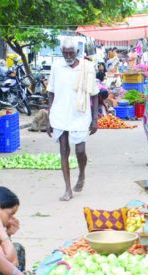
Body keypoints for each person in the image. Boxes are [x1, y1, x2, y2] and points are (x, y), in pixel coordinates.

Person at [46, 37, 99, 202]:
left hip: (81, 114)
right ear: (61, 52)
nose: (68, 55)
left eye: (71, 52)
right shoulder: (56, 66)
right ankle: (67, 189)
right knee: (63, 150)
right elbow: (51, 92)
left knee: (80, 151)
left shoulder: (87, 67)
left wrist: (95, 118)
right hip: (60, 113)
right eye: (65, 52)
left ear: (77, 52)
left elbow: (95, 94)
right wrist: (49, 117)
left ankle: (82, 174)